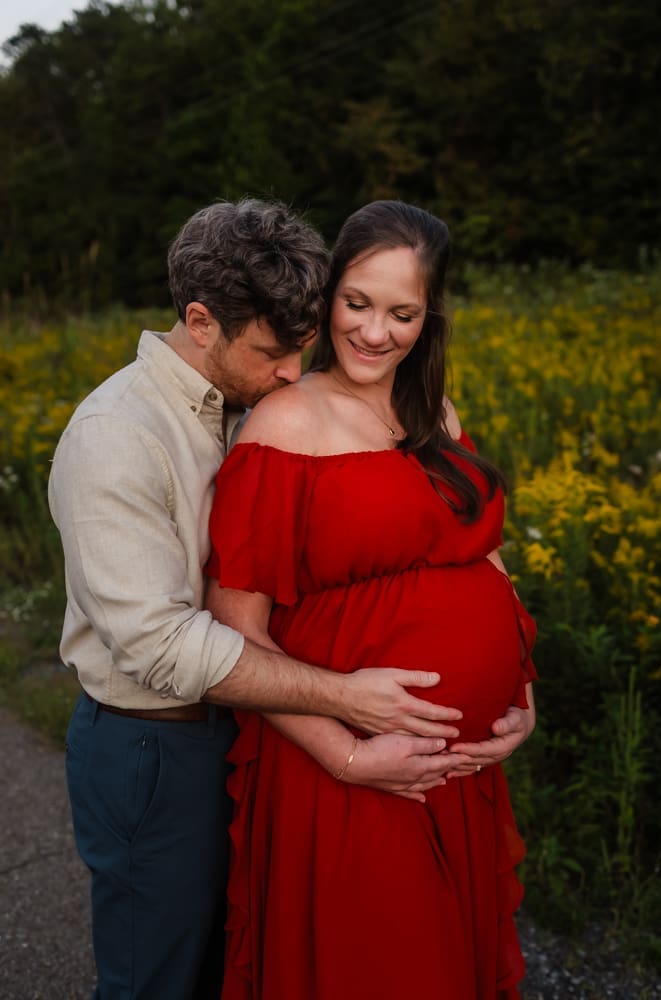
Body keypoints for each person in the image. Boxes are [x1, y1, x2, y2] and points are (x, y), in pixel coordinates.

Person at [48, 198, 495, 1000]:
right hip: (155, 746)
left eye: (299, 350)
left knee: (238, 964)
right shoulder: (116, 435)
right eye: (272, 354)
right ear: (200, 321)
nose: (291, 373)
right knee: (158, 974)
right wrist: (345, 707)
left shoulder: (241, 402)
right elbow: (161, 645)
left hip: (250, 733)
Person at [205, 200, 537, 999]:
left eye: (402, 313)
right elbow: (232, 628)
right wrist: (346, 753)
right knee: (382, 970)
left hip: (454, 767)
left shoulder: (434, 414)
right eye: (357, 303)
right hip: (350, 768)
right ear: (327, 297)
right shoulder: (283, 421)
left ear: (429, 318)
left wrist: (522, 692)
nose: (375, 333)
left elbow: (485, 565)